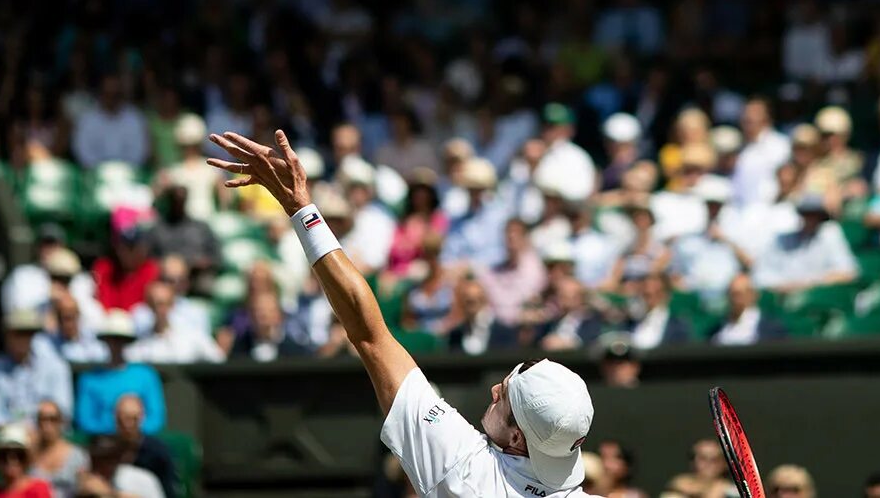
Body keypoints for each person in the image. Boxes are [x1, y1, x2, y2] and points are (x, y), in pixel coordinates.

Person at [209, 127, 601, 497]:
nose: (495, 389)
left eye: (505, 399)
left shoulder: (460, 469)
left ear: (518, 438)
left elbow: (369, 334)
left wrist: (301, 209)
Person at [75, 310, 165, 435]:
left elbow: (155, 419)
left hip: (140, 444)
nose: (116, 345)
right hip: (103, 445)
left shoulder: (146, 375)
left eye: (121, 340)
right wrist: (116, 429)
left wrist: (131, 430)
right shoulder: (89, 379)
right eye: (112, 339)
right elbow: (85, 421)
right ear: (105, 341)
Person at [0, 310, 73, 429]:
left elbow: (63, 414)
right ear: (6, 335)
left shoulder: (56, 366)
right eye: (17, 333)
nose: (22, 339)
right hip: (9, 439)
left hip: (47, 437)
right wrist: (18, 431)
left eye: (27, 333)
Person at [752, 194, 858, 293]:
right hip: (784, 296)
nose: (810, 219)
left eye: (814, 215)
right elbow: (761, 275)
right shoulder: (783, 239)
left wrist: (812, 283)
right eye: (806, 214)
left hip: (817, 297)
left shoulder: (830, 234)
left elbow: (848, 272)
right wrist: (785, 286)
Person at [126, 280, 225, 364]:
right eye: (154, 304)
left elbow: (217, 359)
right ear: (149, 306)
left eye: (164, 303)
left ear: (172, 304)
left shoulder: (192, 335)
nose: (160, 309)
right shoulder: (142, 342)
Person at [72, 74, 149, 169]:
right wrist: (100, 169)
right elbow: (82, 151)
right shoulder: (87, 119)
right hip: (94, 174)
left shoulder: (135, 118)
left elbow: (139, 153)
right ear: (100, 94)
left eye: (116, 95)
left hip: (129, 174)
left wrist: (122, 169)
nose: (112, 99)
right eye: (107, 94)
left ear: (122, 95)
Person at [93, 208, 161, 312]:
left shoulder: (151, 270)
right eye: (123, 246)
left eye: (132, 248)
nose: (126, 253)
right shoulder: (104, 268)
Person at [115, 394, 177, 498]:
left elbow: (169, 491)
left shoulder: (158, 452)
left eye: (133, 419)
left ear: (142, 417)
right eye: (124, 419)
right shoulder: (104, 448)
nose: (128, 425)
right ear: (116, 418)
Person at [442, 279, 521, 356]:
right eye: (468, 301)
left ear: (484, 300)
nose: (471, 305)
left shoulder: (504, 333)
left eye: (476, 299)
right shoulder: (455, 336)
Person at [29, 400, 89, 498]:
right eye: (42, 419)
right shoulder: (28, 455)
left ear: (61, 422)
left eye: (52, 419)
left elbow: (84, 489)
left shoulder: (77, 455)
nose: (47, 425)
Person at [230, 290, 311, 361]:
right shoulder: (239, 348)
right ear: (251, 315)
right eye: (257, 310)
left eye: (268, 311)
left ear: (279, 316)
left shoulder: (295, 351)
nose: (262, 315)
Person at [0, 423, 53, 498]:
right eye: (4, 454)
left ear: (26, 459)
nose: (11, 460)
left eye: (19, 454)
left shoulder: (39, 489)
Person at [76, 435, 165, 498]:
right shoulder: (82, 477)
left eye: (108, 458)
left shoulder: (141, 478)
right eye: (97, 458)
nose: (102, 464)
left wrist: (109, 492)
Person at [712, 273, 786, 345]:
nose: (734, 300)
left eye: (738, 294)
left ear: (753, 295)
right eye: (731, 294)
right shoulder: (716, 331)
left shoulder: (772, 330)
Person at [627, 272, 693, 350]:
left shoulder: (678, 326)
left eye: (656, 293)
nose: (650, 301)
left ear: (666, 295)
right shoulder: (629, 323)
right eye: (646, 295)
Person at [664, 438, 731, 498]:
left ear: (724, 464)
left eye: (715, 459)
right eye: (703, 458)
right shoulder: (677, 488)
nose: (709, 464)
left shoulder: (732, 492)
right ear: (693, 461)